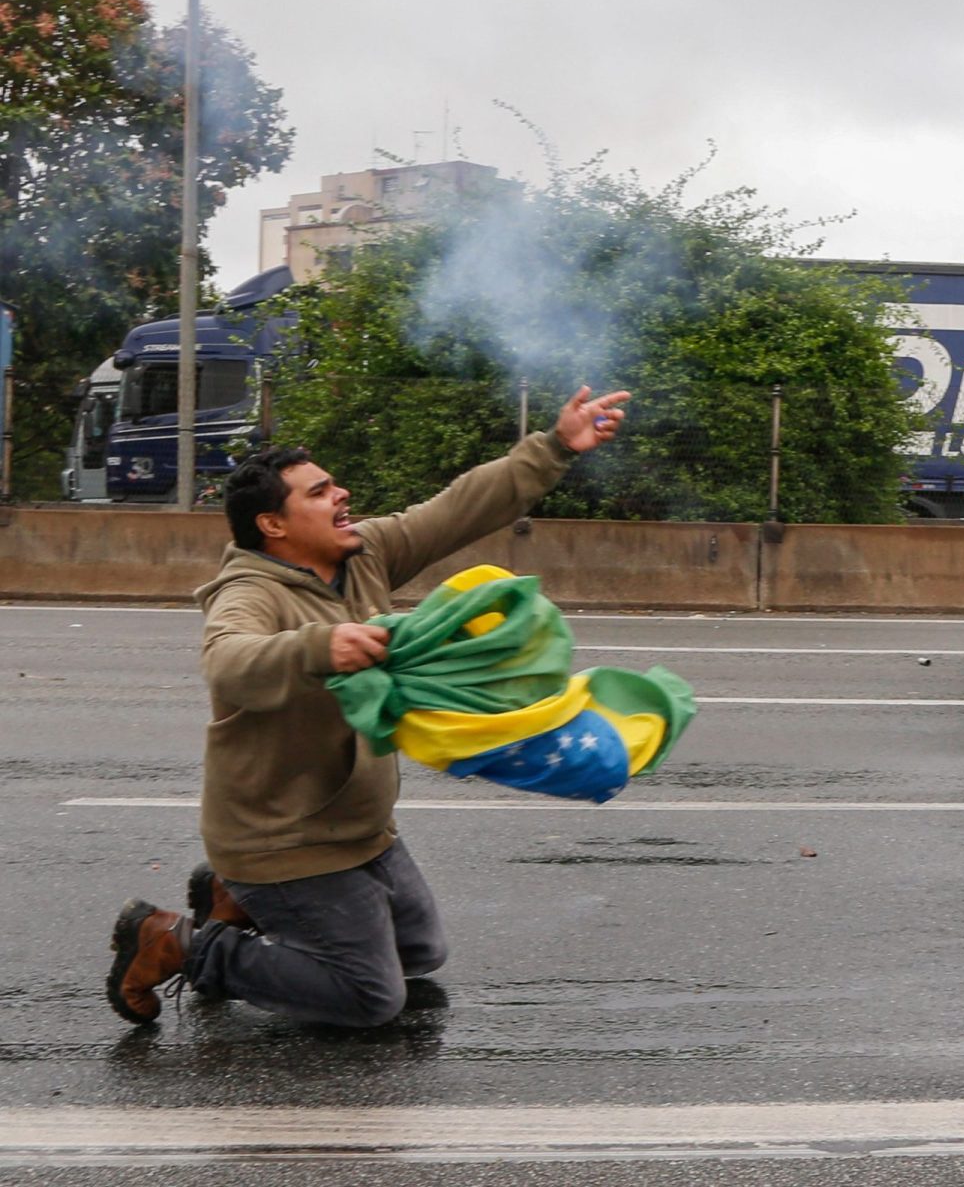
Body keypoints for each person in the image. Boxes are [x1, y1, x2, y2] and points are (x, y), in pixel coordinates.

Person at [106, 386, 631, 1028]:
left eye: (334, 486)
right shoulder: (247, 591)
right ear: (273, 524)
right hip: (281, 837)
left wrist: (553, 447)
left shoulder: (363, 555)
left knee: (421, 953)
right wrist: (322, 645)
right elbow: (229, 660)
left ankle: (230, 900)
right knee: (370, 998)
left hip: (357, 827)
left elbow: (458, 509)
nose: (341, 496)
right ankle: (179, 943)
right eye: (320, 492)